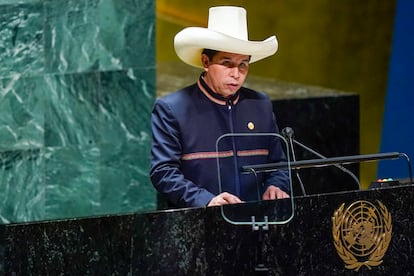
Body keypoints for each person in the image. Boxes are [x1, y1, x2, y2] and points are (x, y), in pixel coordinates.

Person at [150, 6, 290, 208]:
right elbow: (163, 172)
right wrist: (206, 200)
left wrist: (276, 185)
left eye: (243, 64)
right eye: (227, 63)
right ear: (206, 61)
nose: (236, 73)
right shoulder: (172, 109)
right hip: (198, 225)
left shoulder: (260, 105)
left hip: (257, 224)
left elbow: (278, 165)